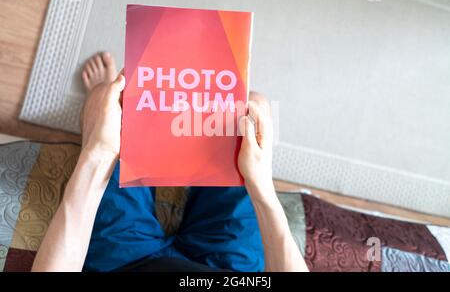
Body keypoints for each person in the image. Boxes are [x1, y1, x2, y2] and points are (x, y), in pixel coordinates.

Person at [31, 52, 309, 272]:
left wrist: (97, 153)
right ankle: (187, 106)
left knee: (104, 97)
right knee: (254, 105)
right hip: (228, 271)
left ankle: (144, 106)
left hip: (121, 263)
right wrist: (261, 186)